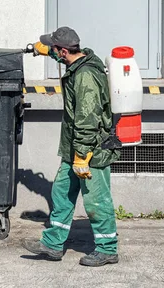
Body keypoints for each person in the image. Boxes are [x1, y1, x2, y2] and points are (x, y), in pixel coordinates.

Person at [22, 26, 121, 267]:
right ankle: (53, 244)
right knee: (62, 194)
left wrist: (81, 155)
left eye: (55, 49)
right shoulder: (81, 59)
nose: (53, 53)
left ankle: (108, 249)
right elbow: (70, 56)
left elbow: (87, 119)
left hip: (91, 151)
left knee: (96, 201)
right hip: (74, 149)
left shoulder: (85, 77)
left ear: (64, 51)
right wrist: (44, 51)